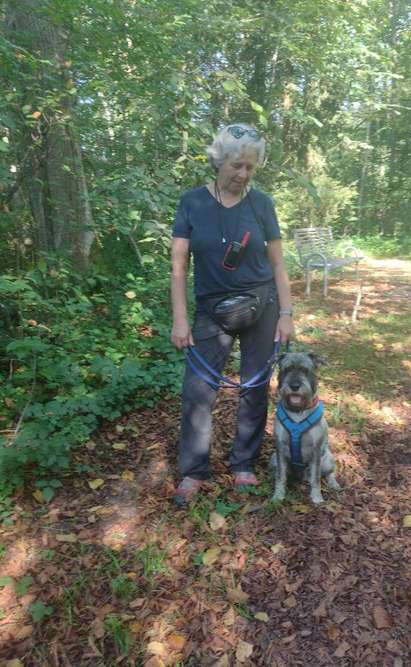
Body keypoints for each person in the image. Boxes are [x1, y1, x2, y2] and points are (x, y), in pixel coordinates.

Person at [170, 123, 294, 506]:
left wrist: (286, 313)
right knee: (197, 392)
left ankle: (244, 463)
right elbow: (178, 265)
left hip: (262, 306)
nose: (242, 174)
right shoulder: (192, 203)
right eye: (236, 165)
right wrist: (180, 318)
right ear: (219, 160)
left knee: (255, 388)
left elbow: (278, 265)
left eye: (250, 168)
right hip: (211, 309)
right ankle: (193, 471)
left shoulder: (262, 205)